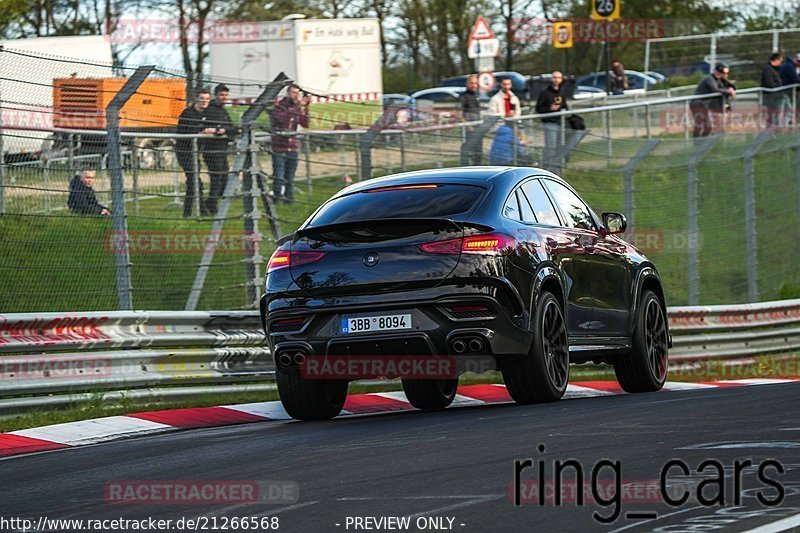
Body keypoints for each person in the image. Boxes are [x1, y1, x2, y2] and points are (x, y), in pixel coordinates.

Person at [175, 89, 215, 217]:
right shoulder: (188, 113)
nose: (204, 101)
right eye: (202, 98)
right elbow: (186, 132)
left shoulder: (207, 114)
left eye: (207, 99)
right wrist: (201, 132)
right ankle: (202, 210)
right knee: (194, 181)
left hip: (195, 151)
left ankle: (188, 212)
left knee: (193, 182)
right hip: (184, 151)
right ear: (196, 99)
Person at [270, 85, 310, 203]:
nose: (296, 96)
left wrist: (306, 108)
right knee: (279, 175)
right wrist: (299, 106)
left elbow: (305, 123)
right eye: (293, 93)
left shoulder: (297, 108)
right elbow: (283, 120)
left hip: (292, 147)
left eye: (298, 93)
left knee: (290, 177)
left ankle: (289, 200)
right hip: (279, 147)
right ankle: (277, 199)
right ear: (287, 93)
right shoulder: (279, 107)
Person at [202, 84, 235, 215]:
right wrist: (221, 130)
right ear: (216, 95)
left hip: (222, 150)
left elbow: (231, 127)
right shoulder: (210, 110)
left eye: (226, 95)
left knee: (224, 177)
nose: (224, 97)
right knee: (216, 178)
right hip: (211, 150)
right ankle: (211, 205)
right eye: (221, 95)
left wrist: (225, 130)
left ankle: (212, 203)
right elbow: (212, 128)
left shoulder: (223, 111)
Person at [690, 63, 736, 138]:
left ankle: (702, 144)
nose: (724, 75)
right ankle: (697, 144)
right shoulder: (709, 78)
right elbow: (715, 89)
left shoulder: (719, 79)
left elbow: (732, 86)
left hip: (704, 105)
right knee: (700, 125)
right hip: (698, 104)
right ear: (716, 71)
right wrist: (728, 91)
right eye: (722, 73)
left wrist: (730, 88)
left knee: (708, 127)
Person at [535, 71, 569, 170]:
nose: (556, 80)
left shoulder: (562, 92)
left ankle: (558, 167)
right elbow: (539, 109)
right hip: (549, 122)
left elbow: (565, 106)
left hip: (561, 123)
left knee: (560, 146)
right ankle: (547, 167)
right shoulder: (545, 93)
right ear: (551, 79)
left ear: (561, 79)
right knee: (551, 147)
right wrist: (550, 109)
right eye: (554, 77)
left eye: (558, 78)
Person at [459, 75, 483, 166]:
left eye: (475, 83)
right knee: (467, 152)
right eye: (471, 83)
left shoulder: (477, 96)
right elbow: (459, 114)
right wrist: (468, 126)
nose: (474, 85)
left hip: (478, 129)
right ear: (467, 84)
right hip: (468, 130)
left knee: (478, 152)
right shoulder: (463, 97)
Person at [761, 53, 784, 128]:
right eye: (780, 61)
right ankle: (770, 133)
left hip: (775, 97)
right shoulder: (768, 69)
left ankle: (774, 132)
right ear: (776, 60)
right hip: (771, 97)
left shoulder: (774, 69)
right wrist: (779, 87)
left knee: (775, 115)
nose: (781, 63)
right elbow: (769, 84)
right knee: (772, 116)